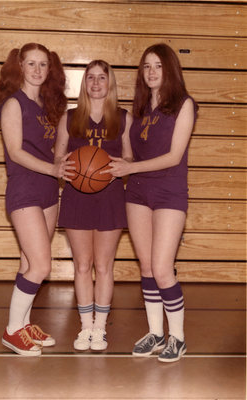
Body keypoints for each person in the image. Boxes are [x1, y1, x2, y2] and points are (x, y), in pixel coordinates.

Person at [104, 43, 198, 362]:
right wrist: (118, 163)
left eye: (157, 66)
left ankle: (178, 337)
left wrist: (130, 168)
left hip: (169, 191)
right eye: (146, 66)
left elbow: (173, 157)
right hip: (139, 192)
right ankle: (156, 333)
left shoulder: (184, 105)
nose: (151, 72)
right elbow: (133, 154)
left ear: (170, 69)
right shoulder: (140, 109)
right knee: (146, 267)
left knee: (161, 268)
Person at [0, 42, 74, 356]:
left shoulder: (45, 106)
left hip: (47, 192)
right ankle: (12, 330)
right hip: (24, 188)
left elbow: (51, 151)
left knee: (28, 262)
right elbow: (16, 152)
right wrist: (56, 169)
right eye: (31, 64)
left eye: (43, 64)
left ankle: (24, 325)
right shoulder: (14, 104)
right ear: (20, 67)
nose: (38, 70)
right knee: (41, 265)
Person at [55, 60, 133, 351]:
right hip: (77, 195)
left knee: (104, 265)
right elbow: (57, 158)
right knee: (83, 265)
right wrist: (67, 167)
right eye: (91, 78)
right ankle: (85, 327)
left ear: (110, 83)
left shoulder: (124, 118)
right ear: (84, 83)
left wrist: (121, 167)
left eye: (102, 77)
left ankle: (100, 328)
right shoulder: (70, 117)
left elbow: (130, 158)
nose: (97, 83)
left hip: (110, 196)